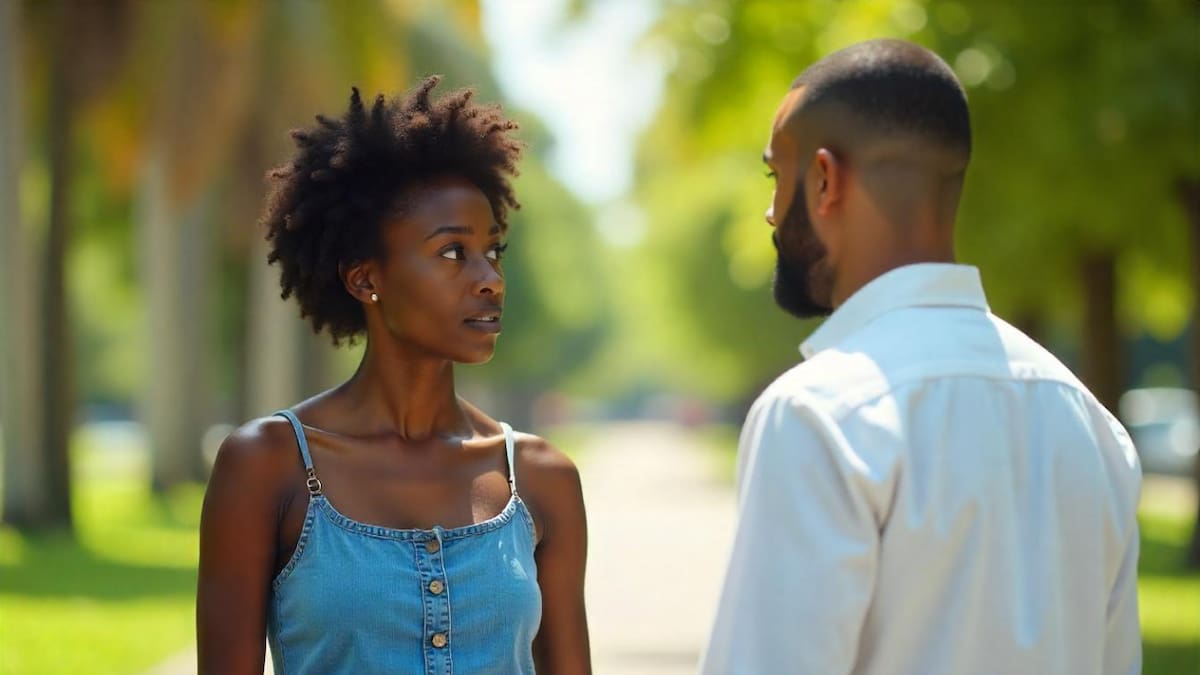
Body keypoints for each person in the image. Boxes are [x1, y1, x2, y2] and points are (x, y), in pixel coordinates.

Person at [700, 39, 1142, 674]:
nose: (771, 213)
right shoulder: (1093, 426)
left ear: (825, 180)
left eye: (777, 177)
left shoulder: (817, 415)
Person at [197, 78, 591, 674]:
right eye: (453, 252)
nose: (490, 278)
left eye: (494, 251)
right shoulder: (266, 466)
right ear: (364, 278)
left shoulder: (539, 478)